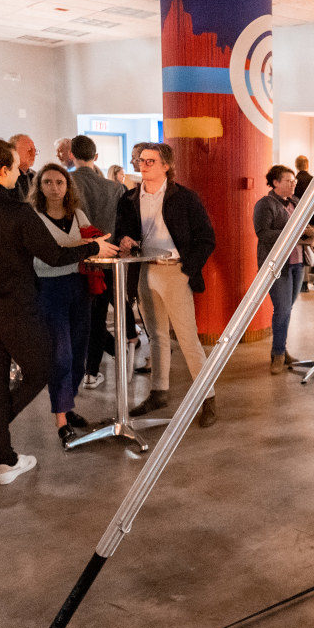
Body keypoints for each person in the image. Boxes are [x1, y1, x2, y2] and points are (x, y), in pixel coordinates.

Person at [0, 139, 117, 485]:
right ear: (5, 170)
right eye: (17, 165)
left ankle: (5, 461)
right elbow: (54, 255)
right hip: (17, 308)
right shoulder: (17, 211)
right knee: (43, 368)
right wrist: (93, 246)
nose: (22, 170)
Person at [113, 142, 218, 426]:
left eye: (150, 161)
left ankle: (207, 397)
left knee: (187, 337)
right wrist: (123, 241)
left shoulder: (184, 198)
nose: (142, 165)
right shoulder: (129, 199)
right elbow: (121, 232)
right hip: (143, 271)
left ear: (166, 166)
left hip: (174, 271)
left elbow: (207, 238)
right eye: (141, 160)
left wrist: (187, 267)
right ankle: (159, 391)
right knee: (156, 335)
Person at [30, 163, 95, 441]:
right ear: (39, 186)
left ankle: (68, 407)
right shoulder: (33, 217)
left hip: (79, 286)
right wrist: (74, 250)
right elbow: (40, 259)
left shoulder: (77, 214)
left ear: (67, 186)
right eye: (47, 182)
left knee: (79, 353)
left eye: (59, 182)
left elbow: (89, 245)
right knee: (61, 355)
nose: (54, 187)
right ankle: (60, 419)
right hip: (49, 288)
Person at [70, 135, 127, 390]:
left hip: (71, 261)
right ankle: (91, 373)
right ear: (96, 157)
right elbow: (120, 223)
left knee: (74, 318)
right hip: (105, 261)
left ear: (71, 154)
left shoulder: (63, 183)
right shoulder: (114, 188)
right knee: (98, 317)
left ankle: (73, 372)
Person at [254, 164, 314, 374]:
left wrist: (307, 230)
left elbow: (302, 225)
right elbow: (263, 234)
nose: (293, 184)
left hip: (297, 261)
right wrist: (292, 232)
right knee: (282, 309)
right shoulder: (265, 204)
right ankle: (278, 354)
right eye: (288, 181)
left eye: (294, 181)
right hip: (278, 265)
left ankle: (281, 349)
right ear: (276, 182)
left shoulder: (296, 202)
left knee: (287, 309)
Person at [9, 133, 37, 200]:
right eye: (29, 150)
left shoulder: (36, 176)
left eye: (35, 151)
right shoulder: (4, 178)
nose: (33, 154)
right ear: (13, 151)